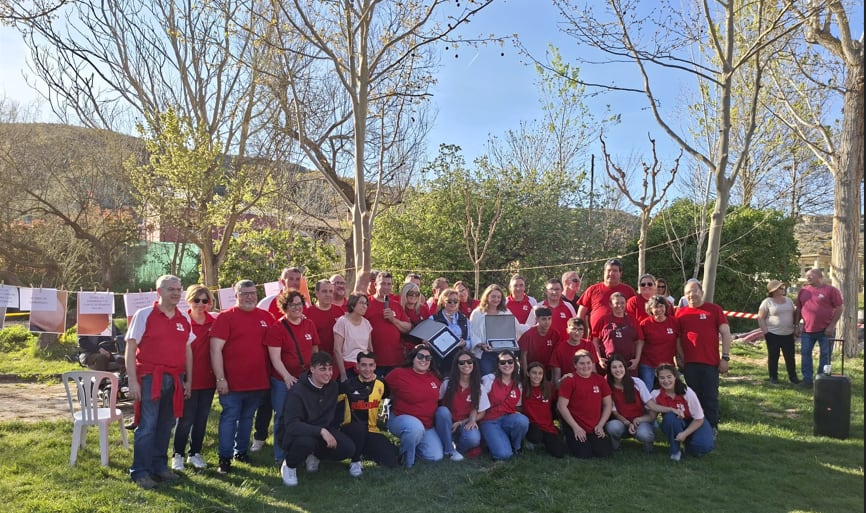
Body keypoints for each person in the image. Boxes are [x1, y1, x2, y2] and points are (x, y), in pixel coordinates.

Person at [125, 275, 194, 489]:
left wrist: (188, 380)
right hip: (148, 379)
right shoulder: (144, 315)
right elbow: (130, 347)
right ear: (159, 291)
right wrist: (133, 381)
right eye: (171, 289)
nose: (176, 293)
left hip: (174, 380)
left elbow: (187, 350)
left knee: (166, 425)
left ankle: (159, 467)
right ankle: (140, 471)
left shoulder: (184, 319)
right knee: (147, 426)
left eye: (178, 289)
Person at [210, 279, 274, 474]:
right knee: (230, 417)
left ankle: (241, 451)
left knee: (247, 417)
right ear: (236, 295)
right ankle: (225, 458)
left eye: (253, 293)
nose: (250, 297)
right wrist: (220, 379)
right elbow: (215, 349)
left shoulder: (266, 317)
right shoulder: (225, 317)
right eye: (245, 293)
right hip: (232, 383)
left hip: (258, 381)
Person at [277, 352, 356, 486]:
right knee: (306, 443)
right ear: (312, 369)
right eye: (322, 369)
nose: (328, 373)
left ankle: (315, 455)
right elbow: (292, 425)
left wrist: (324, 431)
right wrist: (321, 431)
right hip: (296, 434)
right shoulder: (297, 392)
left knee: (348, 449)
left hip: (322, 430)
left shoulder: (332, 387)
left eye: (330, 369)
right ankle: (289, 465)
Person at [265, 288, 321, 467]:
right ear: (284, 307)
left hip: (305, 378)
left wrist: (315, 373)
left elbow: (315, 350)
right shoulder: (276, 328)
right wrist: (287, 376)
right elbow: (275, 358)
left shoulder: (309, 324)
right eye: (292, 305)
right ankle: (280, 455)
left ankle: (305, 452)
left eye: (300, 304)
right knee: (282, 415)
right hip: (283, 380)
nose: (297, 308)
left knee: (307, 416)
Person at [253, 267, 302, 453]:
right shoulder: (267, 302)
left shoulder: (301, 304)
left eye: (298, 279)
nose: (295, 282)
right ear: (282, 281)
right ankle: (260, 436)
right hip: (268, 362)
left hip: (291, 366)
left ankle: (288, 440)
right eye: (291, 278)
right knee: (266, 403)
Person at [675, 280, 732, 432]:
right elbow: (678, 338)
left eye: (694, 291)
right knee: (693, 397)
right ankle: (696, 427)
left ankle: (712, 427)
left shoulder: (714, 310)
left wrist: (725, 358)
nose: (691, 295)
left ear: (701, 291)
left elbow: (726, 333)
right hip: (690, 363)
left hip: (710, 363)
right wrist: (679, 357)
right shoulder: (680, 313)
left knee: (710, 397)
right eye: (688, 292)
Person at [171, 284, 217, 471]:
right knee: (185, 419)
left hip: (208, 378)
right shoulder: (182, 321)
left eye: (204, 301)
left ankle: (195, 453)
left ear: (210, 303)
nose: (200, 304)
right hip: (188, 378)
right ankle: (177, 455)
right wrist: (183, 378)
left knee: (202, 418)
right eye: (196, 300)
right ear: (189, 301)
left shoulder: (214, 322)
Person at [338, 351, 399, 475]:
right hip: (351, 429)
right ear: (357, 366)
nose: (367, 369)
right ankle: (355, 462)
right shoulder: (348, 385)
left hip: (372, 430)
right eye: (364, 365)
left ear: (375, 366)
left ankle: (364, 452)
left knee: (392, 461)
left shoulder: (381, 384)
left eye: (371, 365)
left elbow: (389, 398)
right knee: (359, 428)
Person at [385, 345, 445, 468]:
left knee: (435, 457)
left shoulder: (434, 378)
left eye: (428, 358)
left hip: (427, 426)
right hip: (401, 419)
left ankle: (409, 445)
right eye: (420, 356)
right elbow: (381, 387)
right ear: (413, 358)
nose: (424, 360)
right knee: (414, 429)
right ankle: (406, 461)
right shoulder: (399, 373)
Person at [646, 363, 714, 461]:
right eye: (662, 378)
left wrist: (685, 434)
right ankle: (675, 451)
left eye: (669, 377)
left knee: (702, 447)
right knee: (670, 418)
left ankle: (689, 443)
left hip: (694, 421)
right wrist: (637, 420)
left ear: (675, 377)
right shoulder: (655, 393)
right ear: (658, 378)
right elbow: (652, 416)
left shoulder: (687, 391)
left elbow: (699, 419)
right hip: (674, 422)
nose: (666, 381)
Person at [556, 349, 613, 459]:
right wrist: (575, 427)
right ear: (575, 365)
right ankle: (568, 437)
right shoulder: (570, 380)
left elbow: (608, 405)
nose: (585, 366)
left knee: (603, 452)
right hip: (575, 425)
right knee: (584, 454)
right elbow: (561, 406)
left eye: (588, 363)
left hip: (594, 425)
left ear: (592, 363)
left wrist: (601, 425)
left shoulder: (600, 380)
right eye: (581, 363)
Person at [435, 349, 488, 461]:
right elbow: (437, 403)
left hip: (465, 422)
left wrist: (465, 422)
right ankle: (448, 450)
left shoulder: (479, 387)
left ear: (473, 364)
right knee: (442, 411)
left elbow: (482, 412)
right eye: (461, 362)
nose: (466, 365)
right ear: (456, 365)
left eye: (469, 362)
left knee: (473, 439)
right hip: (447, 423)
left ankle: (457, 450)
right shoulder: (447, 384)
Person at [794, 268, 843, 386]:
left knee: (825, 355)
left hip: (826, 330)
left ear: (819, 276)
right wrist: (796, 325)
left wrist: (831, 326)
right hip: (807, 330)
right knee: (805, 353)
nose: (808, 278)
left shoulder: (831, 290)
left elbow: (840, 308)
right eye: (807, 276)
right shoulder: (803, 291)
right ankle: (807, 380)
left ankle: (822, 380)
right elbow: (799, 309)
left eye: (811, 275)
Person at [479, 350, 529, 460]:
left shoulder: (518, 384)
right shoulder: (489, 379)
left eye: (510, 362)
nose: (507, 365)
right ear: (498, 365)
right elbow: (478, 403)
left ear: (514, 364)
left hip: (507, 419)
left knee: (522, 421)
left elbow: (518, 407)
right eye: (503, 362)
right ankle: (494, 440)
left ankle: (517, 447)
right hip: (489, 421)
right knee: (504, 455)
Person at [603, 354, 655, 453]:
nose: (618, 370)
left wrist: (638, 420)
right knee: (613, 427)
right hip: (622, 422)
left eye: (620, 366)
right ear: (609, 370)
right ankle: (616, 447)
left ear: (625, 368)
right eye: (614, 367)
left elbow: (650, 405)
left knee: (645, 434)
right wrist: (627, 423)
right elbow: (615, 412)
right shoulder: (607, 386)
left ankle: (648, 447)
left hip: (640, 421)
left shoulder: (637, 382)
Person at [364, 271, 412, 376]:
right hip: (373, 361)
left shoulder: (396, 305)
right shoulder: (366, 303)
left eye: (389, 284)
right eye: (383, 284)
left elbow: (408, 328)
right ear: (376, 285)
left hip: (395, 360)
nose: (386, 287)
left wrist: (393, 319)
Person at [469, 284, 523, 375]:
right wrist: (480, 344)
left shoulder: (506, 312)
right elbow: (472, 333)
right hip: (485, 354)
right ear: (487, 297)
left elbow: (517, 328)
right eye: (493, 296)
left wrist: (511, 342)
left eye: (499, 297)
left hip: (504, 353)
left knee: (503, 379)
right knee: (487, 379)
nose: (496, 299)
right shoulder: (477, 313)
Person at [576, 258, 636, 339]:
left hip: (621, 339)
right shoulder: (592, 289)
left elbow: (634, 314)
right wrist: (581, 336)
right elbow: (581, 314)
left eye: (615, 271)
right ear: (604, 272)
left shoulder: (628, 291)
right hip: (596, 338)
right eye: (609, 270)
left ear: (620, 273)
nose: (611, 273)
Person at [758, 280, 800, 385]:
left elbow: (794, 314)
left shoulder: (789, 300)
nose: (783, 289)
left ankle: (793, 377)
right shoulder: (767, 302)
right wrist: (766, 332)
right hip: (773, 333)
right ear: (774, 290)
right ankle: (773, 377)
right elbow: (760, 318)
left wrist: (796, 326)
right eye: (780, 288)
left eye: (783, 287)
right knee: (773, 356)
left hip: (788, 333)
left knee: (790, 357)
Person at [522, 361, 565, 458]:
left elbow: (560, 398)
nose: (537, 376)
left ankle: (549, 438)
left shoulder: (549, 387)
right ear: (528, 374)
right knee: (536, 436)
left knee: (559, 453)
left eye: (540, 373)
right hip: (532, 425)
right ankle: (529, 441)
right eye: (534, 373)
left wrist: (565, 380)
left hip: (547, 426)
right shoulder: (523, 388)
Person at [592, 292, 643, 376]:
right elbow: (595, 340)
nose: (620, 305)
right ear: (610, 304)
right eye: (616, 303)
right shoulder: (604, 320)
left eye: (622, 303)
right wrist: (599, 359)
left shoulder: (632, 320)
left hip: (628, 363)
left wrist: (637, 359)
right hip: (609, 363)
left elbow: (639, 341)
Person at [638, 295, 681, 390]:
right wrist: (637, 359)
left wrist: (680, 358)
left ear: (666, 307)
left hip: (667, 364)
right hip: (648, 364)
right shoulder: (645, 323)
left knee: (672, 390)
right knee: (648, 391)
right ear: (650, 309)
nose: (659, 309)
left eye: (661, 306)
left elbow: (678, 342)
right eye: (656, 307)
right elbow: (640, 343)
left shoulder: (674, 322)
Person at [333, 293, 374, 383]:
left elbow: (369, 348)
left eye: (366, 304)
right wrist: (343, 374)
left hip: (364, 367)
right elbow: (337, 350)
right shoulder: (342, 322)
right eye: (361, 303)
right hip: (348, 367)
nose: (364, 306)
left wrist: (371, 368)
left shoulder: (366, 323)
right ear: (352, 305)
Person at [430, 287, 470, 375]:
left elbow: (470, 340)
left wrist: (465, 343)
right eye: (449, 301)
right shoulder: (434, 319)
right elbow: (428, 340)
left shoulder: (464, 319)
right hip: (441, 360)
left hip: (460, 359)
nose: (453, 304)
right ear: (443, 302)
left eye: (456, 301)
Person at [524, 278, 576, 343]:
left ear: (562, 290)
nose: (554, 292)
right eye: (551, 289)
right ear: (546, 291)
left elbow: (576, 327)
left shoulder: (569, 306)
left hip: (564, 347)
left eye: (557, 289)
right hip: (543, 348)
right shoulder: (537, 307)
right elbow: (528, 328)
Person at [303, 279, 345, 359]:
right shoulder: (307, 314)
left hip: (338, 359)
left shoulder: (339, 311)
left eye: (330, 291)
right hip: (317, 361)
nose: (328, 294)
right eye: (324, 291)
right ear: (317, 293)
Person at [550, 317, 597, 387]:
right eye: (574, 329)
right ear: (567, 330)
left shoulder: (589, 345)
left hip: (586, 385)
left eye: (580, 329)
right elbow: (556, 382)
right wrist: (564, 379)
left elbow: (593, 371)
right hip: (567, 386)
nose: (577, 332)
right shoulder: (559, 348)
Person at [517, 307, 559, 374]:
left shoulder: (555, 334)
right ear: (537, 319)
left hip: (547, 371)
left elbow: (555, 356)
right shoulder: (528, 335)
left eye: (549, 318)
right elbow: (523, 355)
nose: (547, 322)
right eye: (544, 319)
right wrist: (525, 373)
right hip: (530, 370)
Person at [400, 281, 430, 351]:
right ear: (405, 294)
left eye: (417, 294)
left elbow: (429, 327)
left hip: (423, 348)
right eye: (411, 293)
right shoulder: (399, 309)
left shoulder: (423, 308)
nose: (414, 296)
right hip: (405, 349)